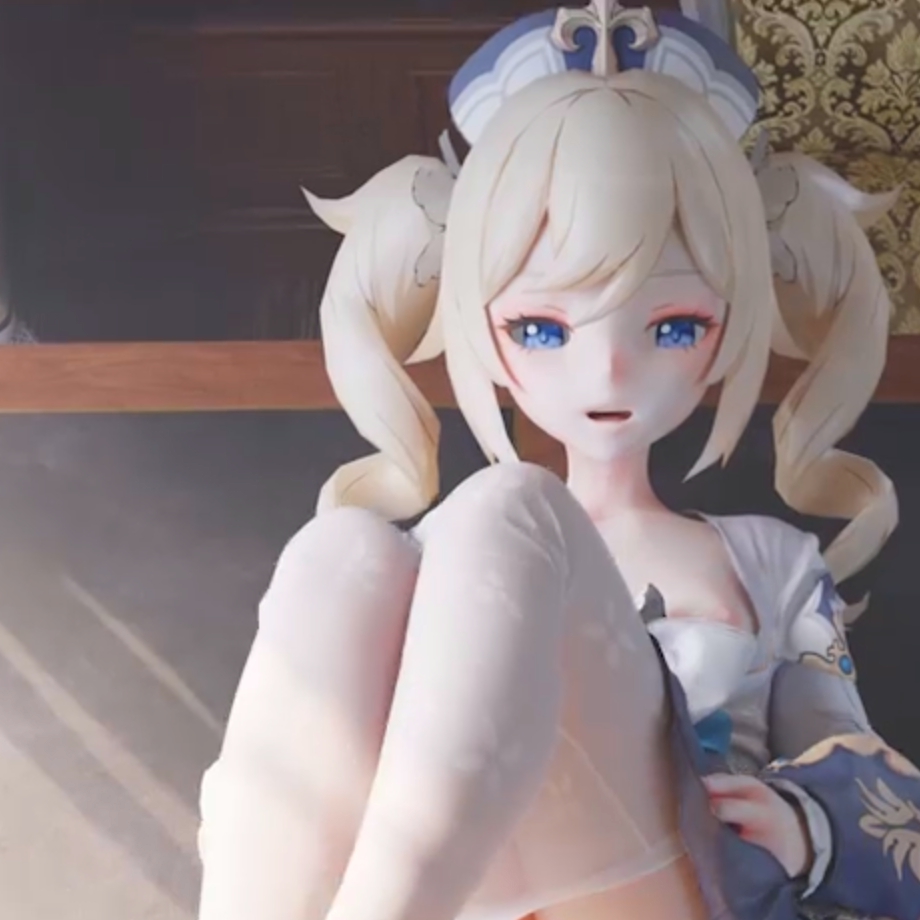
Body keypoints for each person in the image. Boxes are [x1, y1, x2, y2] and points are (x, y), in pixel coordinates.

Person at [196, 3, 920, 919]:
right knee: (339, 551)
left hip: (674, 888)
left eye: (673, 326)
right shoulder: (427, 559)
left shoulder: (770, 562)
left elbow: (877, 793)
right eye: (541, 328)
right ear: (480, 330)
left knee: (510, 510)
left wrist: (805, 823)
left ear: (732, 324)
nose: (608, 370)